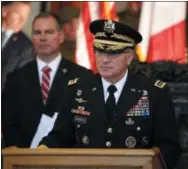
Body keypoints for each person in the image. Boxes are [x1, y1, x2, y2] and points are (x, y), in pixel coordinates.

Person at [39, 19, 180, 169]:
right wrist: (42, 150)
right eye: (100, 51)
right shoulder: (78, 89)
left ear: (129, 56)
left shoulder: (153, 92)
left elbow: (168, 147)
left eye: (113, 53)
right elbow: (60, 136)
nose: (104, 60)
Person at [2, 12, 92, 148]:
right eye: (37, 33)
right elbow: (9, 124)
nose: (43, 38)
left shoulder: (81, 76)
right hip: (23, 160)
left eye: (49, 32)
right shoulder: (16, 78)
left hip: (66, 159)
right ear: (32, 38)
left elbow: (84, 123)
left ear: (61, 36)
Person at [1, 1, 35, 92]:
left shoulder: (26, 47)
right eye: (18, 15)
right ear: (4, 11)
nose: (22, 21)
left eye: (25, 17)